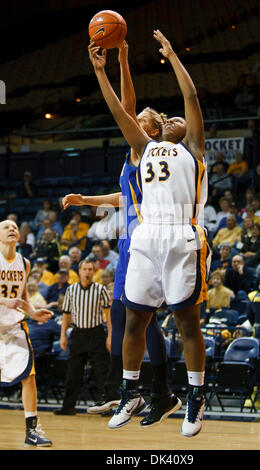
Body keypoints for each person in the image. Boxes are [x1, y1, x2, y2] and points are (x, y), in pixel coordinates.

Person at [88, 30, 210, 437]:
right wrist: (100, 71)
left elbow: (191, 99)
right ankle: (129, 390)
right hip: (145, 237)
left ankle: (195, 394)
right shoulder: (143, 144)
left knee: (184, 321)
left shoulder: (192, 147)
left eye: (177, 119)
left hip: (181, 234)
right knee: (134, 320)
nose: (176, 119)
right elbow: (121, 112)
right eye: (168, 120)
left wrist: (173, 55)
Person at [62, 40, 180, 425]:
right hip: (133, 238)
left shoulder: (142, 149)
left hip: (147, 240)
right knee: (131, 318)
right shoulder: (136, 160)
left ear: (147, 128)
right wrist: (84, 200)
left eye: (142, 117)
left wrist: (122, 61)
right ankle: (135, 393)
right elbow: (123, 198)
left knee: (135, 317)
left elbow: (125, 108)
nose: (136, 115)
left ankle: (145, 393)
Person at [0, 219, 53, 446]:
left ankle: (32, 430)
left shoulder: (25, 263)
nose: (12, 229)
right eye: (6, 227)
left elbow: (23, 298)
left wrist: (32, 313)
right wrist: (4, 300)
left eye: (15, 227)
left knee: (28, 376)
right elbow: (11, 299)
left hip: (14, 326)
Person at [53, 260, 111, 415]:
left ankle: (105, 407)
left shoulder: (101, 289)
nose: (87, 272)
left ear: (94, 272)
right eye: (85, 269)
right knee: (73, 371)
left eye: (90, 269)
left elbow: (108, 315)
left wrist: (110, 336)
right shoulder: (71, 290)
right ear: (79, 272)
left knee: (101, 371)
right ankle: (68, 407)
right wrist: (63, 336)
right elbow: (66, 315)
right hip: (78, 333)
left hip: (96, 332)